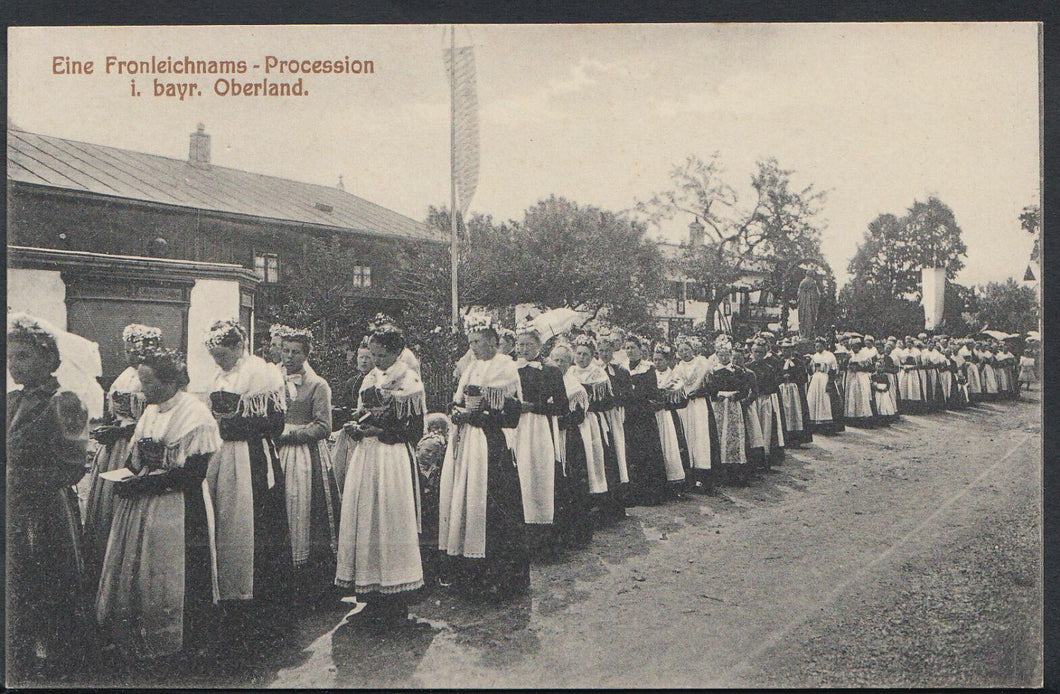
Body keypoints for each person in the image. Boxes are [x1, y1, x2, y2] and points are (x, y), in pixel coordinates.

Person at [96, 348, 221, 660]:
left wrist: (145, 483)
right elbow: (135, 457)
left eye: (148, 383)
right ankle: (139, 634)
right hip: (143, 502)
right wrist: (129, 475)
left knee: (175, 572)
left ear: (170, 381)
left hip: (178, 505)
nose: (142, 390)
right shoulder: (150, 411)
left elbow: (193, 475)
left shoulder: (196, 415)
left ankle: (184, 640)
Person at [7, 314, 91, 682]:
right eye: (9, 356)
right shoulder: (11, 400)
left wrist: (20, 479)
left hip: (46, 509)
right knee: (16, 582)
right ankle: (20, 656)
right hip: (11, 506)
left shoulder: (64, 401)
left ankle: (58, 662)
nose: (12, 364)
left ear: (47, 358)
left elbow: (73, 466)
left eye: (22, 356)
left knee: (49, 581)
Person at [203, 319, 293, 633]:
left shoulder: (261, 373)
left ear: (239, 347)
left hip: (251, 458)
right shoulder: (217, 375)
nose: (219, 362)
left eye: (223, 355)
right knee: (223, 521)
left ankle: (258, 601)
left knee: (252, 523)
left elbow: (276, 424)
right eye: (215, 357)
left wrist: (234, 427)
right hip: (221, 456)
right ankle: (227, 593)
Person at [335, 324, 425, 625]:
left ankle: (395, 601)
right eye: (372, 354)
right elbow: (363, 413)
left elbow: (414, 430)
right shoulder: (371, 377)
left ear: (397, 352)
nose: (375, 360)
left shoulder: (409, 380)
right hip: (368, 456)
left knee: (390, 520)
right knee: (366, 519)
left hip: (391, 457)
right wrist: (358, 427)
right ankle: (370, 597)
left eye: (381, 354)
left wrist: (381, 431)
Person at [438, 313, 529, 601]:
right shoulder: (471, 368)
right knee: (466, 501)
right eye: (471, 342)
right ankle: (469, 573)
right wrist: (457, 411)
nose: (473, 347)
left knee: (493, 504)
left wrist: (477, 416)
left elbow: (511, 415)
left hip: (491, 445)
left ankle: (500, 576)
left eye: (477, 342)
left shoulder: (505, 367)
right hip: (467, 444)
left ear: (493, 341)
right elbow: (458, 399)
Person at [84, 323, 161, 583]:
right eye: (127, 350)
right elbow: (118, 413)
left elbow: (146, 423)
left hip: (129, 444)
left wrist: (118, 433)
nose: (129, 356)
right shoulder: (125, 375)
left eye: (134, 351)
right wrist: (110, 427)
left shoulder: (149, 378)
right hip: (114, 444)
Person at [276, 329, 341, 601]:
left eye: (296, 352)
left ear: (306, 355)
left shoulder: (317, 385)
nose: (290, 357)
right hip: (277, 451)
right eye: (286, 350)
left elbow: (324, 426)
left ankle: (311, 585)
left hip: (304, 456)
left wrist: (292, 436)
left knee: (304, 509)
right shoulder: (271, 379)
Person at [512, 321, 569, 556]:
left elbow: (562, 405)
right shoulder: (511, 369)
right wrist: (516, 407)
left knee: (541, 475)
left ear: (539, 345)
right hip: (517, 427)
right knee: (521, 474)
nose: (523, 349)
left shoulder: (551, 370)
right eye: (520, 345)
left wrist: (534, 407)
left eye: (528, 345)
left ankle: (545, 537)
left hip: (540, 428)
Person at [569, 334, 626, 519]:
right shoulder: (570, 372)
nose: (581, 358)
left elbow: (608, 402)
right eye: (578, 354)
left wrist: (589, 405)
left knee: (599, 456)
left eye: (585, 354)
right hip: (577, 421)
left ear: (592, 355)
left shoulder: (598, 374)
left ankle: (606, 503)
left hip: (594, 421)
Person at [547, 343, 595, 549]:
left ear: (570, 363)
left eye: (563, 361)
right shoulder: (546, 379)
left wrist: (558, 417)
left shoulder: (574, 386)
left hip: (568, 436)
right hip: (548, 435)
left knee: (572, 481)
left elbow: (577, 416)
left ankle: (575, 533)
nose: (558, 364)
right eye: (555, 360)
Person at [622, 336, 669, 506]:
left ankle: (650, 494)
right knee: (630, 452)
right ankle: (632, 493)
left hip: (643, 416)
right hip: (628, 415)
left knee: (646, 452)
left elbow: (649, 392)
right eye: (627, 348)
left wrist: (633, 393)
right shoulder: (622, 368)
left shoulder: (648, 368)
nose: (630, 351)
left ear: (640, 349)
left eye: (633, 347)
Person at [672, 336, 719, 494]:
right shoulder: (678, 367)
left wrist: (698, 391)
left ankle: (705, 478)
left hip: (699, 404)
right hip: (685, 406)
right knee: (687, 437)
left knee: (701, 438)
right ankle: (689, 478)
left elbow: (711, 386)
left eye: (687, 349)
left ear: (693, 349)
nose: (684, 353)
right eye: (681, 351)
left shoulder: (703, 363)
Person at [706, 340, 754, 484]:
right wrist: (715, 395)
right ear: (717, 355)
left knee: (734, 435)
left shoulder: (738, 371)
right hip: (719, 405)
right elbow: (708, 388)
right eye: (720, 355)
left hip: (733, 405)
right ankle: (718, 470)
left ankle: (735, 470)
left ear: (730, 355)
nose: (723, 358)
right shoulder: (712, 371)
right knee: (718, 434)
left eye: (726, 354)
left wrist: (737, 396)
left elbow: (745, 389)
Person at [332, 336, 374, 492]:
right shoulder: (352, 382)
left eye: (368, 358)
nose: (363, 361)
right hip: (349, 434)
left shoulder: (376, 382)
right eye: (361, 357)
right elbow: (345, 406)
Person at [596, 331, 632, 498]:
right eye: (601, 351)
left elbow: (626, 394)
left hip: (615, 413)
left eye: (607, 351)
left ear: (613, 351)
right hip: (599, 413)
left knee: (617, 444)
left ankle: (620, 486)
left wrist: (614, 399)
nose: (604, 354)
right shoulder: (593, 370)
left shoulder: (621, 370)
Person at [650, 344, 689, 497]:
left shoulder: (674, 377)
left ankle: (675, 482)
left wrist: (664, 403)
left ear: (667, 361)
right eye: (654, 360)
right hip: (653, 415)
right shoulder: (650, 374)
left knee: (671, 447)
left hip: (667, 416)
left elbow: (681, 400)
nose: (657, 363)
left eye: (660, 360)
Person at [416, 413, 450, 585]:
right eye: (427, 451)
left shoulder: (441, 466)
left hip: (434, 513)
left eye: (442, 429)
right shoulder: (413, 469)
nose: (430, 455)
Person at [746, 339, 786, 466]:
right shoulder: (748, 367)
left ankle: (766, 455)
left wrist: (764, 390)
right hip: (752, 400)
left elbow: (775, 384)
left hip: (765, 399)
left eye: (760, 352)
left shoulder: (769, 368)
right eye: (755, 352)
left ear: (764, 353)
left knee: (766, 426)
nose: (757, 355)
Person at [776, 340, 813, 448]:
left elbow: (804, 377)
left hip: (795, 391)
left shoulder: (798, 362)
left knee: (796, 412)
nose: (786, 351)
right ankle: (785, 438)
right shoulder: (779, 362)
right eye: (784, 349)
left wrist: (793, 378)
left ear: (792, 350)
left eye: (788, 349)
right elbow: (775, 376)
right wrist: (782, 378)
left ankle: (797, 439)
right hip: (782, 390)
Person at [806, 336, 844, 435]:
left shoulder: (830, 355)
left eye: (819, 346)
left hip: (825, 378)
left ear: (824, 346)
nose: (817, 348)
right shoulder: (814, 356)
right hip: (815, 380)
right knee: (813, 400)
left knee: (825, 400)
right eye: (816, 347)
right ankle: (814, 424)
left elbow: (833, 370)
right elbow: (811, 371)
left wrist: (830, 382)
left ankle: (827, 425)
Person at [843, 337, 876, 427]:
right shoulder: (849, 354)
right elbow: (844, 366)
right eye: (853, 346)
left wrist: (859, 367)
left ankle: (863, 416)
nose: (855, 348)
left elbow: (870, 367)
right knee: (852, 395)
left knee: (862, 395)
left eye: (856, 346)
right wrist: (847, 362)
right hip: (852, 377)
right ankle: (851, 417)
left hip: (861, 376)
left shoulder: (864, 354)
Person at [893, 337, 926, 414]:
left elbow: (920, 365)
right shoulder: (903, 352)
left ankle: (914, 409)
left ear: (912, 344)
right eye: (907, 343)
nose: (908, 344)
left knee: (914, 388)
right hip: (904, 372)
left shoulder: (917, 352)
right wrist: (903, 367)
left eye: (910, 343)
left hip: (913, 372)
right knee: (904, 388)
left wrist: (912, 368)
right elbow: (899, 363)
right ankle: (904, 409)